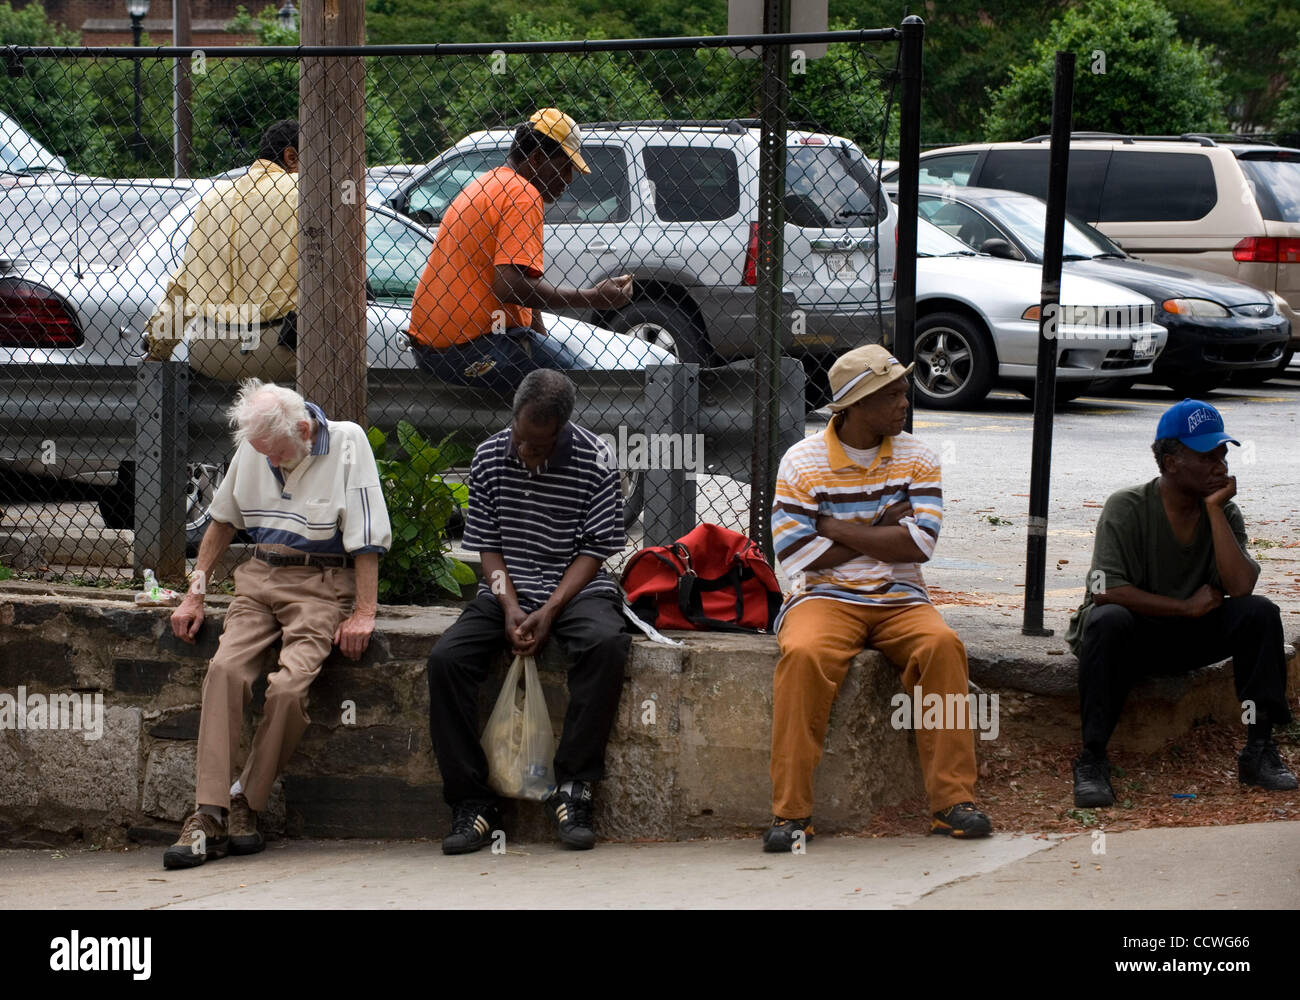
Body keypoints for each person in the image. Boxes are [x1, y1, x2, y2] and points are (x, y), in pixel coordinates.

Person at [764, 344, 993, 851]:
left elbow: (920, 543)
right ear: (858, 405)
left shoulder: (918, 457)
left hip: (902, 597)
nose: (903, 404)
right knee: (802, 655)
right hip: (824, 598)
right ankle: (791, 814)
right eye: (891, 395)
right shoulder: (802, 461)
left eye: (902, 393)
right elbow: (798, 553)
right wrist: (877, 526)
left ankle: (953, 802)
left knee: (943, 648)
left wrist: (834, 528)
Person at [162, 380, 391, 869]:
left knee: (288, 690)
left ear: (305, 430)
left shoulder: (348, 442)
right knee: (224, 671)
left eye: (276, 453)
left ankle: (248, 799)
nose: (268, 461)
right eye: (259, 452)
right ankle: (208, 814)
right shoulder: (259, 445)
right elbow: (223, 519)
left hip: (322, 581)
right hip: (259, 576)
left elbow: (367, 538)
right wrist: (194, 594)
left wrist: (364, 612)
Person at [426, 369, 630, 853]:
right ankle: (474, 802)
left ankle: (573, 788)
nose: (524, 452)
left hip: (575, 591)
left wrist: (552, 609)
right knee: (446, 661)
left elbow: (596, 548)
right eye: (520, 437)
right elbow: (488, 546)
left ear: (561, 430)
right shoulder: (489, 456)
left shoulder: (596, 460)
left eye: (537, 445)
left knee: (605, 644)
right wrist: (511, 605)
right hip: (506, 589)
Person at [1067, 399, 1296, 806]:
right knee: (1108, 619)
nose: (1220, 466)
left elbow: (1241, 587)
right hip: (1133, 635)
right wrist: (1185, 608)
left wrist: (1214, 512)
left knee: (1260, 614)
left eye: (1223, 454)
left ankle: (1259, 749)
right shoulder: (1127, 507)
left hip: (1187, 637)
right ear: (1171, 462)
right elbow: (1105, 588)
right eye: (1207, 456)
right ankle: (1093, 758)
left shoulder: (1225, 513)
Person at [408, 108, 633, 394]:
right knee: (591, 392)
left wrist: (541, 341)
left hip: (436, 352)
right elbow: (509, 287)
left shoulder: (488, 183)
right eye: (564, 167)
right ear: (536, 158)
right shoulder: (523, 194)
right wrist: (592, 298)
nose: (568, 179)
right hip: (474, 350)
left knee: (558, 367)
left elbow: (521, 287)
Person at [144, 119, 301, 383]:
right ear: (291, 156)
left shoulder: (213, 199)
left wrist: (156, 349)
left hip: (210, 348)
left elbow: (182, 285)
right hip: (279, 348)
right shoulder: (304, 191)